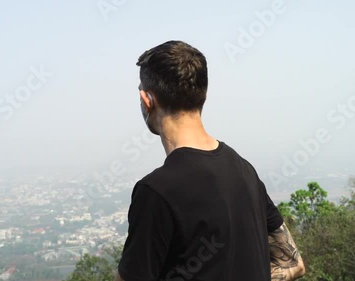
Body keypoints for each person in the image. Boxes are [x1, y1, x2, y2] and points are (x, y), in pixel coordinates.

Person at [114, 40, 305, 281]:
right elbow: (293, 263)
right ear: (201, 95)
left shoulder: (155, 192)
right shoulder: (244, 170)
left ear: (147, 100)